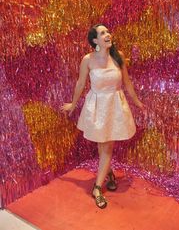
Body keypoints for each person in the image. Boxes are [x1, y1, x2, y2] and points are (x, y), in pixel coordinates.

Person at [60, 23, 145, 209]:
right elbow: (80, 83)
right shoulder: (87, 60)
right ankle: (109, 174)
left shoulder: (118, 56)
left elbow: (127, 83)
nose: (108, 34)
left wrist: (137, 102)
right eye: (102, 32)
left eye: (107, 31)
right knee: (102, 145)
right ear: (95, 40)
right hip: (97, 108)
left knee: (106, 147)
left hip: (115, 107)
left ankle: (97, 187)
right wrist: (73, 104)